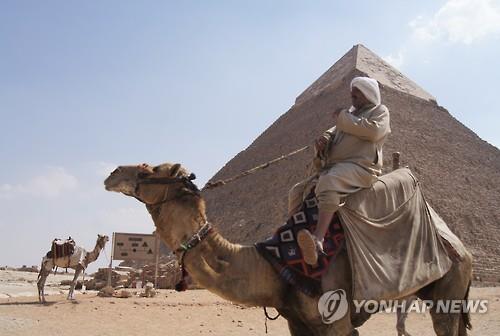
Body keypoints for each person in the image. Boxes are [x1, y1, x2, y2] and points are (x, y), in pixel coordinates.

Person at [291, 76, 391, 265]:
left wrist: (343, 117)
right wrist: (323, 142)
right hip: (338, 166)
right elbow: (332, 132)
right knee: (296, 191)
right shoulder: (350, 115)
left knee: (329, 181)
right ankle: (297, 234)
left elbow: (374, 132)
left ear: (368, 95)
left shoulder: (380, 111)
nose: (352, 98)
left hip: (362, 167)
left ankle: (318, 240)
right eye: (352, 95)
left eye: (356, 95)